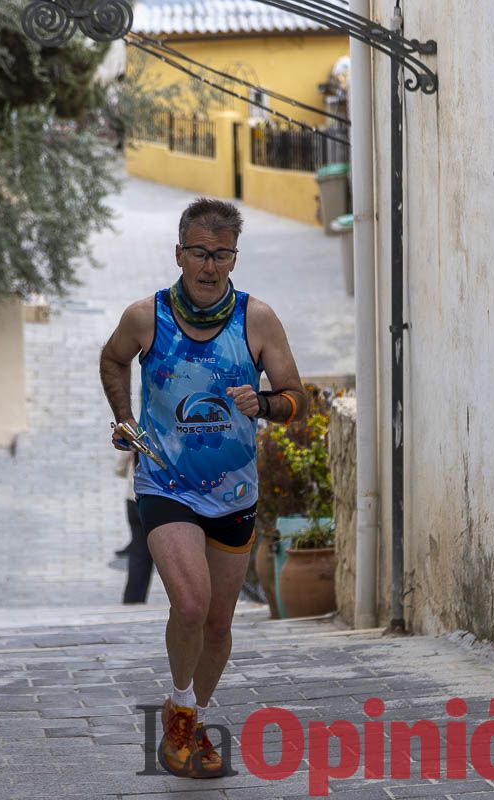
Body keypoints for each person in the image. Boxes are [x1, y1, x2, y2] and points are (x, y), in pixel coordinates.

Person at [99, 198, 306, 778]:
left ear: (234, 256)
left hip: (234, 494)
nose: (210, 266)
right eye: (199, 252)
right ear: (179, 253)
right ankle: (182, 719)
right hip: (166, 484)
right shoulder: (147, 317)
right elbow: (113, 361)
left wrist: (263, 402)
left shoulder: (256, 319)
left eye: (221, 254)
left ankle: (188, 715)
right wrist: (124, 418)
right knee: (190, 603)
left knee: (219, 622)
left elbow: (297, 396)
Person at [118, 451, 154, 603]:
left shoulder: (137, 427)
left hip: (133, 498)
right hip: (157, 501)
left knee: (139, 555)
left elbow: (120, 467)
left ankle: (132, 601)